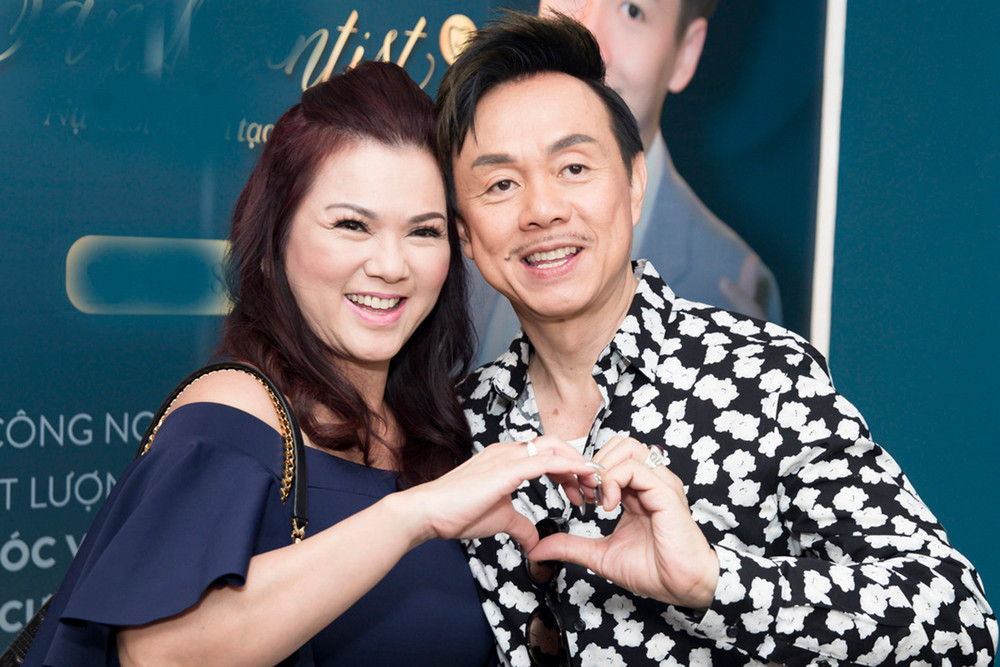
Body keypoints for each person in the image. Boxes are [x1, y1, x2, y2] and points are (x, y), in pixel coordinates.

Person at [436, 12, 997, 666]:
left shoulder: (762, 377)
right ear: (465, 231)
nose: (542, 209)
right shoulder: (454, 426)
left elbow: (958, 622)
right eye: (501, 184)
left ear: (635, 183)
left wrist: (713, 581)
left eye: (574, 167)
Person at [22, 61, 600, 667]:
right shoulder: (231, 416)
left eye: (423, 232)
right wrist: (412, 517)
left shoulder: (441, 428)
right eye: (352, 225)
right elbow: (160, 651)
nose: (390, 265)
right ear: (274, 242)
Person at [469, 0, 781, 366]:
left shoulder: (733, 286)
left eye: (633, 11)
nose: (588, 36)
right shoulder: (441, 232)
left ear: (685, 52)